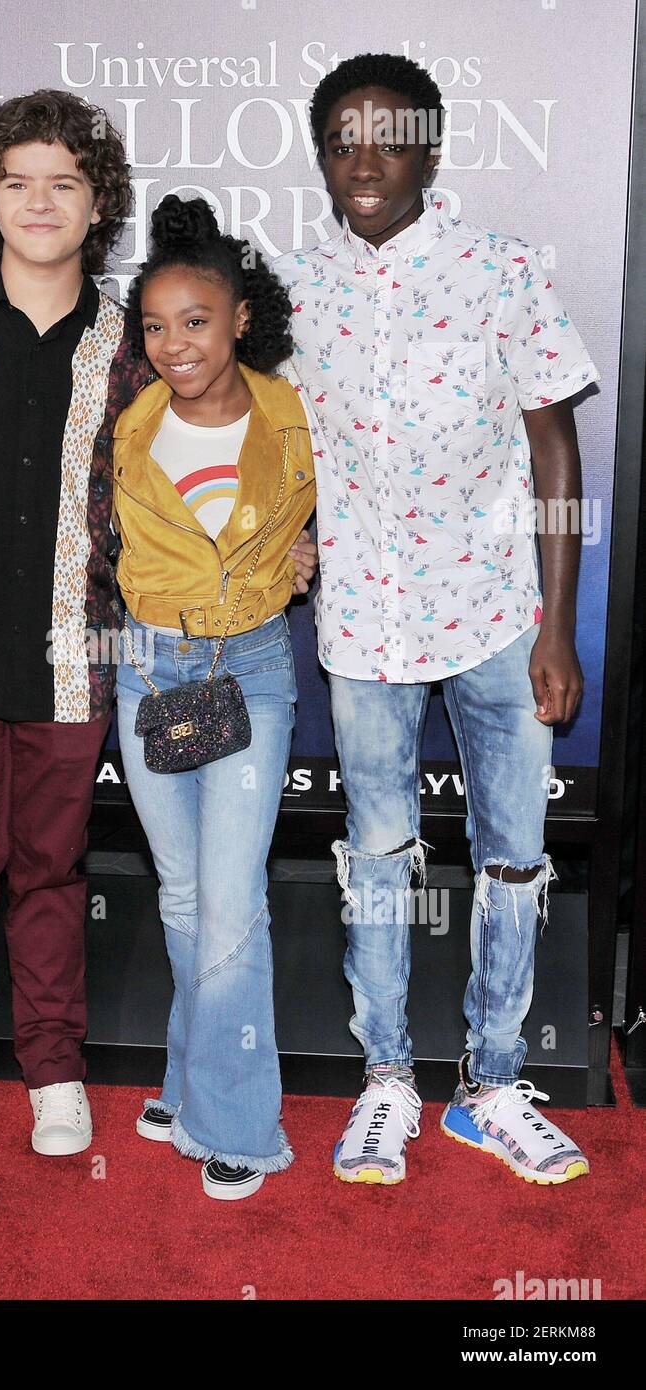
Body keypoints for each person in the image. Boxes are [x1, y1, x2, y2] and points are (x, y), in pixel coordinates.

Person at [0, 93, 319, 1168]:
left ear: (97, 207)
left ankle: (52, 1071)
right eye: (17, 180)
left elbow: (221, 445)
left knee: (49, 870)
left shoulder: (134, 342)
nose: (39, 202)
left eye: (64, 183)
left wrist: (285, 550)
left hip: (86, 656)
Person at [271, 53, 598, 1185]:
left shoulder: (498, 268)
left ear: (430, 148)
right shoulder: (295, 291)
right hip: (361, 618)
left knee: (512, 856)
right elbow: (278, 450)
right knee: (376, 855)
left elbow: (554, 448)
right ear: (320, 158)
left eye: (386, 135)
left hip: (500, 614)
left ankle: (495, 1082)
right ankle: (386, 1083)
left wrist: (557, 626)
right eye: (340, 140)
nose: (363, 159)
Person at [111, 194, 315, 1200]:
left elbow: (357, 513)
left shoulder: (293, 415)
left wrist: (304, 556)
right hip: (146, 669)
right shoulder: (123, 427)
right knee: (185, 894)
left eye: (194, 320)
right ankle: (189, 1075)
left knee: (230, 905)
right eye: (154, 325)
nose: (173, 343)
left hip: (253, 669)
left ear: (240, 317)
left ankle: (237, 1123)